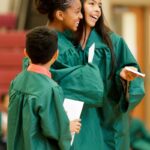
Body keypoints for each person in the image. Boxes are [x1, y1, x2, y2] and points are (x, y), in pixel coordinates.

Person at [65, 0, 145, 149]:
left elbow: (135, 81)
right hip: (76, 120)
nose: (97, 10)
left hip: (106, 122)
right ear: (77, 5)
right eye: (92, 4)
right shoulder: (64, 43)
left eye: (100, 5)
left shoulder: (113, 43)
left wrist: (122, 79)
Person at [7, 26, 82, 150]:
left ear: (26, 53)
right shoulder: (51, 89)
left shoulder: (16, 81)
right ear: (56, 55)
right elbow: (54, 129)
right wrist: (67, 128)